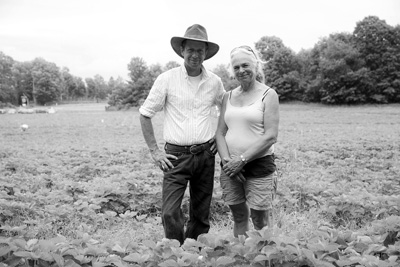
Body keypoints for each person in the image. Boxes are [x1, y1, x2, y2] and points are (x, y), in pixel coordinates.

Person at [139, 24, 225, 244]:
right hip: (176, 156)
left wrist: (219, 135)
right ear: (182, 51)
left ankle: (193, 252)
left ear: (206, 53)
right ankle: (175, 252)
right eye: (191, 50)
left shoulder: (214, 82)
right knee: (169, 212)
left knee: (201, 212)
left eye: (200, 50)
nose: (195, 55)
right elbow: (145, 114)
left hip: (206, 155)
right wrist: (155, 152)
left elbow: (227, 109)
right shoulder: (166, 79)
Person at [215, 45, 280, 237]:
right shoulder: (227, 96)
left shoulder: (268, 95)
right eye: (236, 67)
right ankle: (242, 256)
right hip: (230, 166)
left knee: (260, 219)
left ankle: (263, 257)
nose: (241, 70)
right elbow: (219, 133)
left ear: (256, 65)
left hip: (258, 164)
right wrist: (228, 163)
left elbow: (270, 136)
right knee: (239, 216)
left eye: (245, 65)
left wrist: (241, 160)